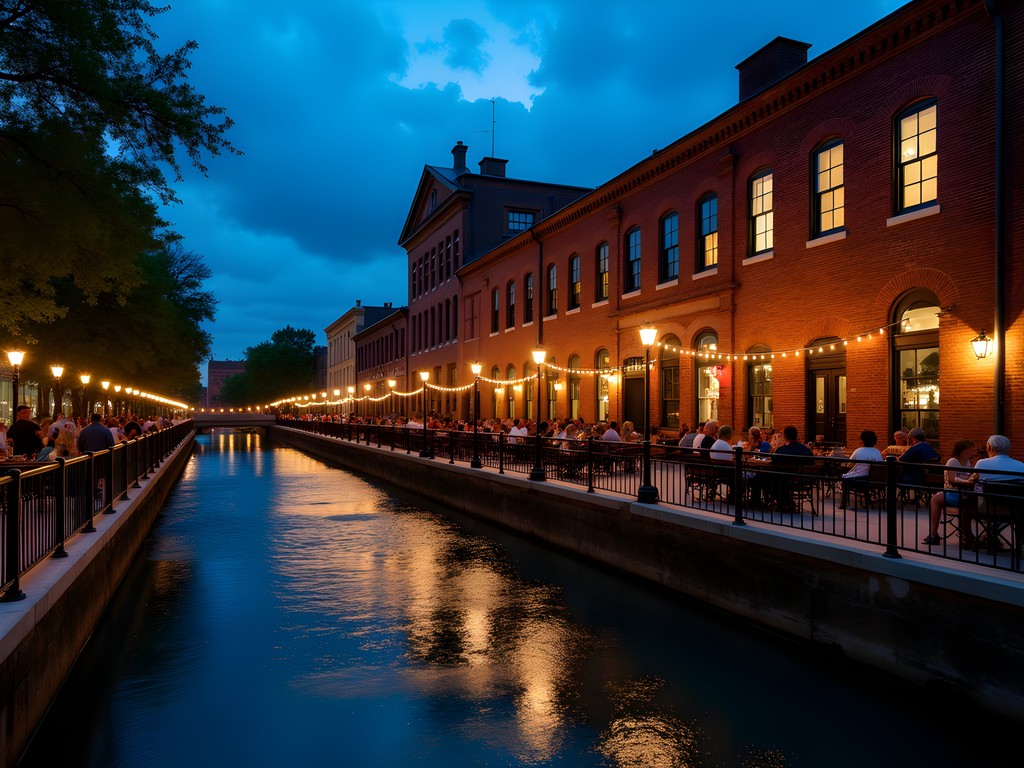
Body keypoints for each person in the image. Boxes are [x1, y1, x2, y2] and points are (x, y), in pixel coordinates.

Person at [923, 439, 977, 547]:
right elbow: (952, 479)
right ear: (963, 451)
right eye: (970, 448)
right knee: (935, 499)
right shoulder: (953, 461)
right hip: (954, 492)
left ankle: (933, 534)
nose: (973, 450)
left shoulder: (968, 463)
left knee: (935, 499)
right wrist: (968, 480)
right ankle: (934, 534)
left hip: (964, 493)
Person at [839, 430, 883, 510]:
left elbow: (849, 464)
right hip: (874, 480)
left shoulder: (859, 451)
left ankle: (843, 503)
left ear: (862, 440)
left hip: (859, 480)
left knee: (845, 480)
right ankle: (867, 499)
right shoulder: (878, 452)